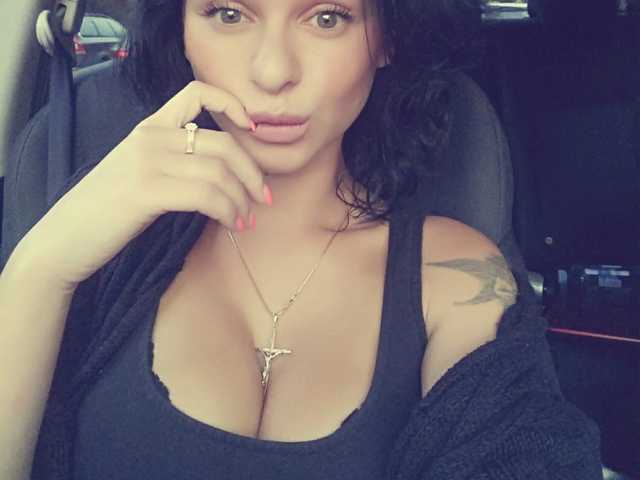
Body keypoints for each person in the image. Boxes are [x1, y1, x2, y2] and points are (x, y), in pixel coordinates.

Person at [0, 0, 604, 479]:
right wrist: (40, 269)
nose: (273, 72)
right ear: (181, 29)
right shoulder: (102, 237)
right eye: (229, 13)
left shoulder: (456, 277)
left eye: (327, 17)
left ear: (387, 37)